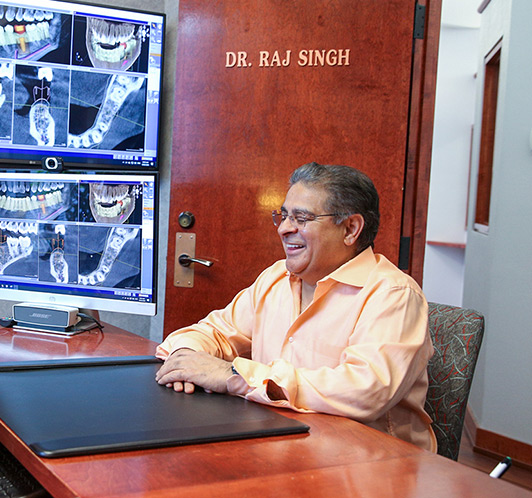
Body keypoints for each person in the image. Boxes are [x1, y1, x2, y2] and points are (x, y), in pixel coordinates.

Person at [155, 162, 435, 451]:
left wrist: (233, 376)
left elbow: (365, 391)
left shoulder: (394, 295)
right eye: (284, 216)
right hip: (277, 443)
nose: (284, 229)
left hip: (372, 462)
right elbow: (211, 332)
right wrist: (185, 361)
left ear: (350, 229)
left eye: (301, 218)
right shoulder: (276, 277)